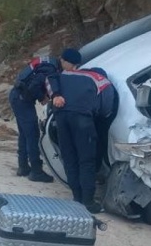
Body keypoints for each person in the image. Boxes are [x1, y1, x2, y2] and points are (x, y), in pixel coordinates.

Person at [46, 65, 113, 214]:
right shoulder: (101, 80)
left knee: (70, 158)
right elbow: (106, 108)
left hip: (61, 119)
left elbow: (50, 85)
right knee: (86, 160)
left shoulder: (65, 75)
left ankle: (77, 196)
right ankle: (88, 201)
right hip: (82, 121)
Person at [8, 48, 81, 183]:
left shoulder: (49, 62)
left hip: (18, 96)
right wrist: (43, 97)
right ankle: (36, 171)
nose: (74, 69)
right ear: (64, 61)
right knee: (32, 133)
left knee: (25, 133)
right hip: (22, 98)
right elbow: (34, 86)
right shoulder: (50, 68)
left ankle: (23, 166)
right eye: (73, 65)